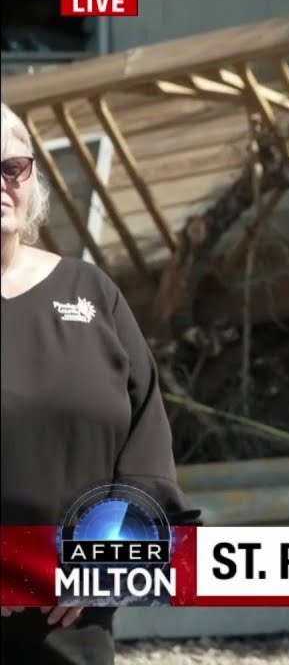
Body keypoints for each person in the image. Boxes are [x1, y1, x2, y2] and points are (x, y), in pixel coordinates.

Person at [0, 102, 200, 663]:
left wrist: (116, 555)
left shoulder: (91, 293)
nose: (1, 184)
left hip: (74, 628)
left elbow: (146, 442)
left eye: (11, 168)